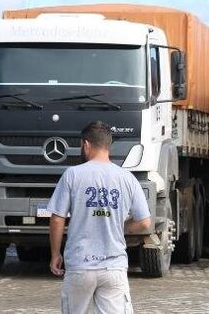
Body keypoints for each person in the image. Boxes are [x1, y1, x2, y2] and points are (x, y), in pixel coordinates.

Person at [48, 121, 152, 313]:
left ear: (86, 145)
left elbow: (57, 219)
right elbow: (145, 222)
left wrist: (55, 254)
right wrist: (123, 227)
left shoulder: (72, 175)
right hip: (114, 267)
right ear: (108, 146)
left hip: (80, 265)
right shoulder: (127, 178)